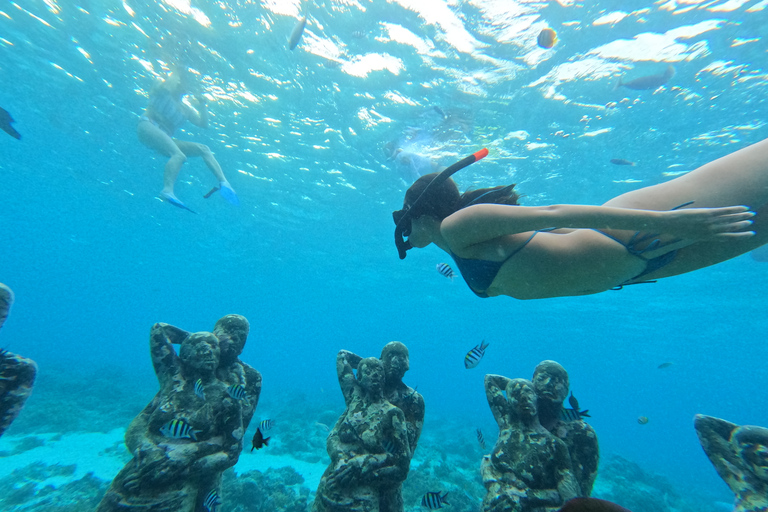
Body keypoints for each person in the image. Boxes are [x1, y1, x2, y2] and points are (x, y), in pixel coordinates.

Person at [392, 139, 768, 299]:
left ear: (421, 214)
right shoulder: (461, 238)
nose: (403, 229)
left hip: (639, 236)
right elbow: (553, 234)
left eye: (403, 218)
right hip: (639, 265)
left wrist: (673, 223)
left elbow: (555, 214)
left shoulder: (457, 227)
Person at [98, 316, 261, 512]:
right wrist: (199, 340)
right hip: (148, 467)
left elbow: (233, 439)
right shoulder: (177, 375)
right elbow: (140, 425)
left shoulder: (247, 379)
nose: (233, 339)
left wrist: (183, 460)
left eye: (240, 336)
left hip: (197, 469)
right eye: (226, 333)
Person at [314, 352, 411, 512]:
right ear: (358, 378)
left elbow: (402, 465)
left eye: (379, 371)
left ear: (384, 377)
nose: (374, 375)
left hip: (362, 501)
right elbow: (342, 356)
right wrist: (339, 458)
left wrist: (363, 468)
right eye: (368, 371)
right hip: (328, 489)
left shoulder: (392, 413)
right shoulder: (353, 399)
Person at [138, 68, 239, 212]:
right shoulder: (161, 89)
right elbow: (168, 87)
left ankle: (224, 182)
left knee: (203, 149)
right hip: (148, 126)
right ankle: (167, 190)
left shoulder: (185, 109)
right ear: (177, 81)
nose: (188, 86)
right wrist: (178, 69)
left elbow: (203, 124)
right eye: (185, 82)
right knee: (179, 155)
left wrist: (202, 105)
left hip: (163, 138)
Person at [482, 376, 579, 512]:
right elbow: (489, 380)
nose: (523, 397)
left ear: (537, 399)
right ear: (510, 403)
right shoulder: (506, 424)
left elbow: (569, 497)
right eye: (516, 394)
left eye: (528, 392)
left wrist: (523, 496)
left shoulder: (555, 445)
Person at [531, 361, 598, 496]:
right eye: (542, 378)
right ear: (531, 383)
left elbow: (582, 490)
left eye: (557, 380)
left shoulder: (582, 433)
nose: (549, 383)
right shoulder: (520, 421)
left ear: (566, 390)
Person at [694, 414, 768, 512]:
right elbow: (704, 422)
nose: (763, 462)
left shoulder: (745, 482)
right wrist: (740, 436)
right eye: (761, 457)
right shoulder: (746, 481)